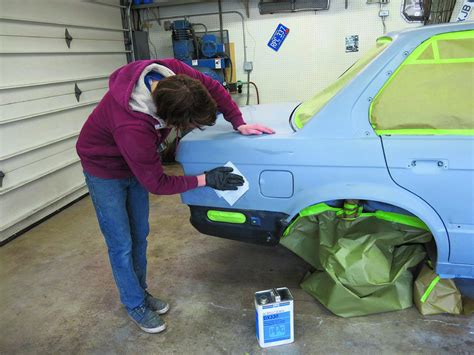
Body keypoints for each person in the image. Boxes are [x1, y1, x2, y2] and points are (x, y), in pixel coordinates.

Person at [76, 58, 274, 334]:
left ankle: (141, 292)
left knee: (140, 233)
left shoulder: (175, 76)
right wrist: (207, 179)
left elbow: (214, 88)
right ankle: (134, 303)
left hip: (137, 158)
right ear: (168, 119)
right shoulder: (132, 125)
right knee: (121, 242)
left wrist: (237, 122)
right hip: (105, 168)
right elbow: (157, 183)